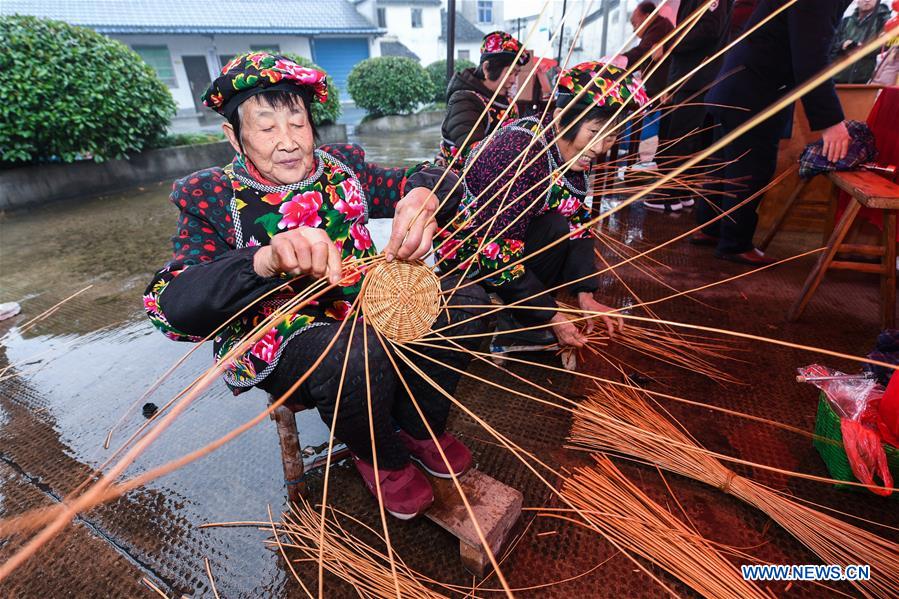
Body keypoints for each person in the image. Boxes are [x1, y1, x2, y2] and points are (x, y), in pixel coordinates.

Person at [143, 52, 489, 520]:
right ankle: (379, 455)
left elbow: (427, 175)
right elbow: (174, 301)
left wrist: (422, 197)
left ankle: (419, 426)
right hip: (282, 332)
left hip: (364, 304)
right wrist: (261, 260)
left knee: (467, 303)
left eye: (297, 123)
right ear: (234, 136)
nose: (287, 142)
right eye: (266, 128)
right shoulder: (213, 196)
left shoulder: (342, 168)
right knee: (352, 353)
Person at [435, 62, 647, 354]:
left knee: (559, 226)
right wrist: (553, 315)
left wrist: (586, 295)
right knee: (548, 230)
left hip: (508, 241)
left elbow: (577, 224)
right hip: (467, 250)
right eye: (595, 132)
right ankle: (518, 324)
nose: (600, 148)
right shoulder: (520, 152)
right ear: (562, 117)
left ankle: (522, 318)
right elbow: (496, 253)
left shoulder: (573, 152)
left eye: (610, 138)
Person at [696, 0, 852, 265]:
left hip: (737, 85)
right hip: (754, 92)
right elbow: (811, 58)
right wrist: (832, 122)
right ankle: (735, 243)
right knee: (751, 168)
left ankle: (710, 229)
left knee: (726, 163)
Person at [653, 0, 729, 213]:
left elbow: (709, 29)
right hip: (692, 77)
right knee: (690, 138)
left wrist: (669, 43)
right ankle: (682, 192)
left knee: (679, 138)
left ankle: (668, 194)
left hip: (696, 78)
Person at [438, 31, 530, 168]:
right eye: (509, 72)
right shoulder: (464, 101)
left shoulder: (507, 101)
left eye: (516, 73)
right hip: (461, 179)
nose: (513, 80)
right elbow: (473, 151)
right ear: (487, 69)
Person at [620, 1, 675, 171]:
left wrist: (620, 61)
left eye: (634, 23)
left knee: (666, 132)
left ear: (646, 16)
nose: (633, 30)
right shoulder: (658, 27)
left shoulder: (658, 27)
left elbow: (642, 53)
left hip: (665, 89)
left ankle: (659, 171)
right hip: (660, 89)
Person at [830, 0, 891, 83]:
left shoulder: (885, 21)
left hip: (866, 80)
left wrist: (862, 48)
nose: (867, 0)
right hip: (838, 78)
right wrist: (843, 45)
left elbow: (887, 48)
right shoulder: (845, 21)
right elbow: (831, 47)